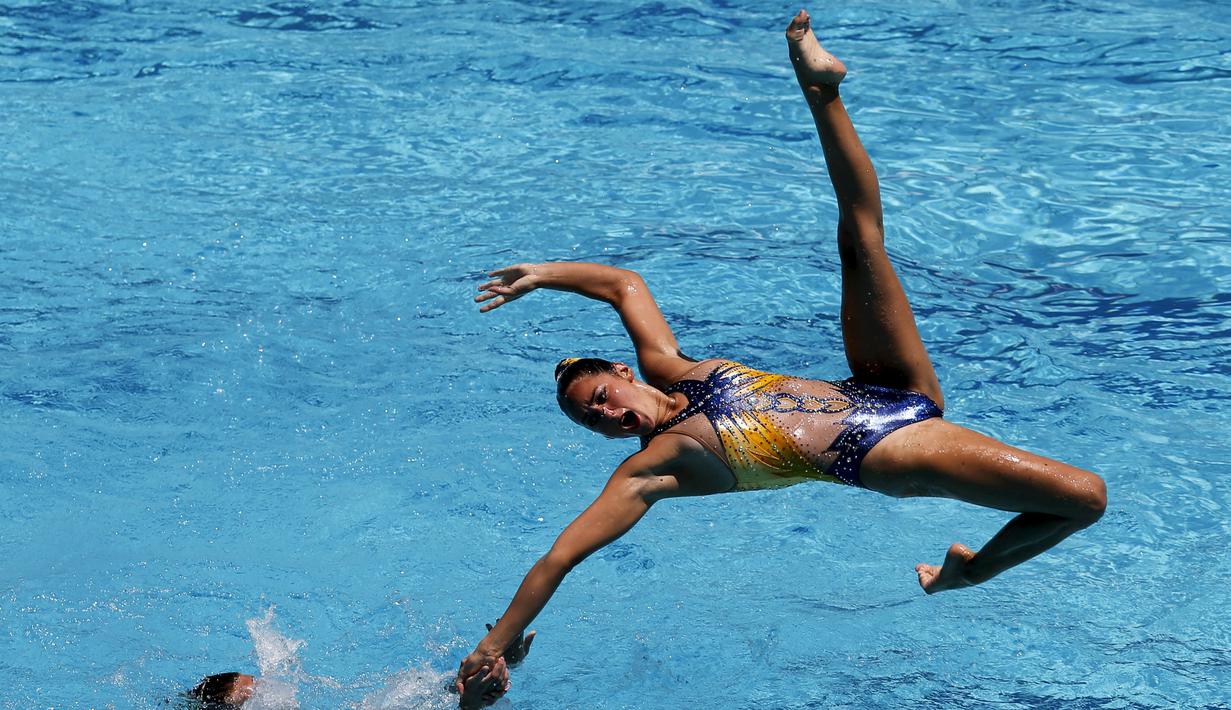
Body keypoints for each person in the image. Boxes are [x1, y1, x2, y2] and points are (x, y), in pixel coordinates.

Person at [457, 7, 1106, 697]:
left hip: (879, 387)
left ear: (621, 373)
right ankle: (972, 572)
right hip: (883, 450)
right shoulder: (653, 468)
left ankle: (820, 85)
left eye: (600, 401)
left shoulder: (667, 367)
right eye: (594, 425)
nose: (609, 420)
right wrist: (493, 645)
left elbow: (623, 284)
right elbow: (559, 558)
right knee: (1084, 497)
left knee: (859, 241)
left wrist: (546, 273)